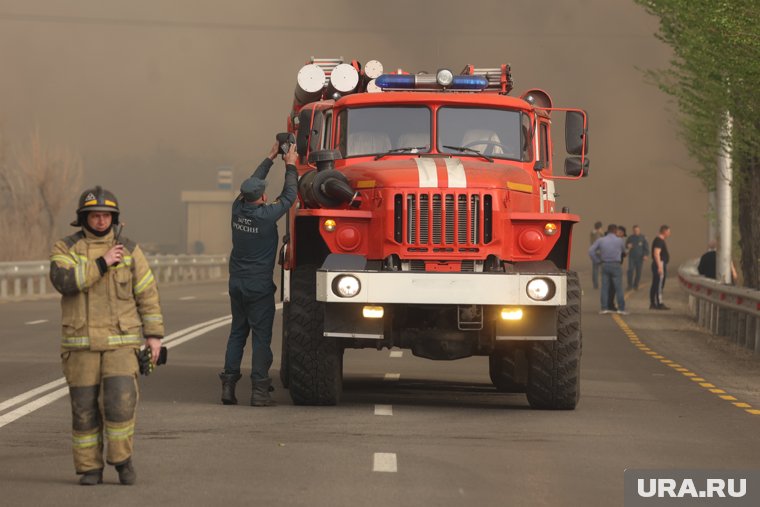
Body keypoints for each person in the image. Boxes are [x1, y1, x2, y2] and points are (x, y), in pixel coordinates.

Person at [50, 186, 163, 486]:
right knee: (84, 411)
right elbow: (64, 281)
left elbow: (147, 294)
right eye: (94, 215)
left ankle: (122, 462)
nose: (100, 221)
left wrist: (154, 336)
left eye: (106, 216)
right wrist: (102, 264)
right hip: (80, 347)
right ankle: (89, 469)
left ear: (114, 219)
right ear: (83, 218)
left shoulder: (130, 250)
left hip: (121, 345)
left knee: (120, 405)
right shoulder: (66, 249)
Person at [219, 139, 298, 407]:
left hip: (237, 284)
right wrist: (290, 165)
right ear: (262, 198)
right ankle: (259, 391)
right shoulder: (265, 216)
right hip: (258, 287)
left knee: (237, 334)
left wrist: (270, 157)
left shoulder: (237, 209)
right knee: (261, 338)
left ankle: (228, 387)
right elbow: (289, 196)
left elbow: (252, 182)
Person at [588, 224, 627, 314]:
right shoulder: (619, 240)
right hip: (616, 265)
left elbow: (591, 251)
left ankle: (604, 308)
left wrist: (597, 261)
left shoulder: (601, 240)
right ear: (615, 231)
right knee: (618, 288)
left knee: (605, 287)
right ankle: (621, 308)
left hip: (605, 264)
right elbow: (624, 252)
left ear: (608, 230)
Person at [650, 225, 672, 310]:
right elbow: (656, 253)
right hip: (660, 264)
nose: (669, 233)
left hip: (658, 264)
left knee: (655, 284)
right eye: (669, 231)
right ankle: (659, 303)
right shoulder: (659, 241)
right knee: (659, 285)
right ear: (664, 231)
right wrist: (660, 266)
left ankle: (653, 303)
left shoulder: (659, 240)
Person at [607, 225, 627, 312]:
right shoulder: (616, 241)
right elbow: (623, 253)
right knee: (613, 286)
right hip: (614, 266)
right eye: (621, 234)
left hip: (611, 265)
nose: (622, 236)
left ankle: (609, 304)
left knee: (612, 287)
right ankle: (610, 305)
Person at [625, 225, 649, 290]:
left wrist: (645, 255)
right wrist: (627, 246)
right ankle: (629, 285)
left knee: (638, 272)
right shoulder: (630, 238)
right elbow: (626, 246)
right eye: (635, 230)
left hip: (640, 258)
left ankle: (636, 285)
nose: (636, 232)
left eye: (637, 230)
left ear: (639, 230)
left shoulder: (643, 238)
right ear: (633, 231)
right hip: (632, 257)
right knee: (630, 270)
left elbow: (646, 248)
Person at [589, 221, 604, 289]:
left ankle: (595, 285)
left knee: (595, 269)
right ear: (600, 227)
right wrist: (602, 234)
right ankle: (602, 284)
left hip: (594, 253)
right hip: (600, 253)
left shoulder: (592, 233)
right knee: (602, 269)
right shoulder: (599, 234)